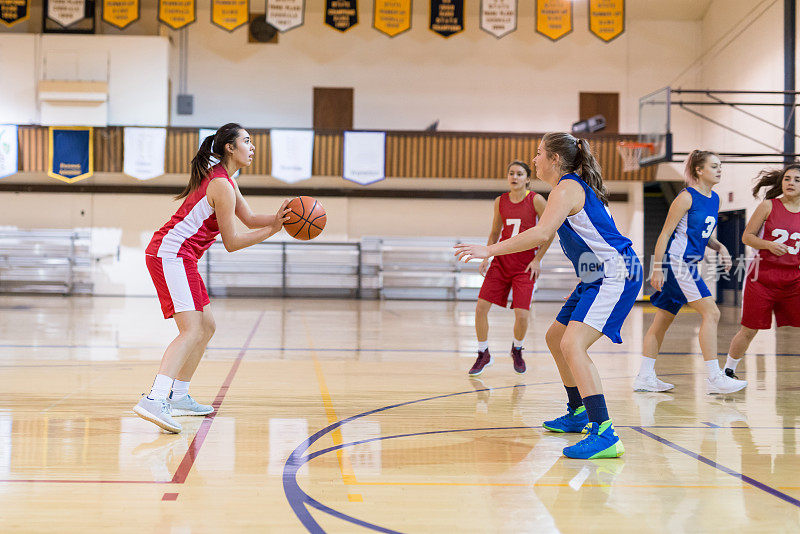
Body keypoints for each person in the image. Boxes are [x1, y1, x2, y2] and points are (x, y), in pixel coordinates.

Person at [455, 132, 642, 459]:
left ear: (555, 159)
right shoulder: (564, 189)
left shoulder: (567, 188)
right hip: (594, 275)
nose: (534, 159)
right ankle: (579, 411)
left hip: (616, 272)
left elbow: (542, 233)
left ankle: (604, 432)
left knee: (573, 344)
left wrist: (489, 249)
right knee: (556, 337)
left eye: (539, 153)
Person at [133, 123, 290, 433]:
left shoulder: (226, 180)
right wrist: (273, 230)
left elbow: (247, 217)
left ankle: (177, 396)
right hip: (171, 253)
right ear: (230, 148)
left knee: (207, 327)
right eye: (247, 141)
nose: (252, 147)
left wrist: (282, 216)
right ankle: (154, 398)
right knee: (191, 330)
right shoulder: (221, 184)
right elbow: (232, 242)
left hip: (181, 255)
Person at [634, 150, 746, 395]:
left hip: (689, 263)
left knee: (661, 322)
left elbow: (702, 235)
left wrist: (721, 247)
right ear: (699, 170)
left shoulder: (714, 198)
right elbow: (665, 234)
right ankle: (715, 377)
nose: (719, 170)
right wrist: (657, 269)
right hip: (678, 263)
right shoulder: (686, 197)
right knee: (712, 312)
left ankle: (644, 376)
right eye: (714, 166)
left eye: (720, 166)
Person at [468, 161, 552, 377]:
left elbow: (550, 232)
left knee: (522, 315)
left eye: (519, 173)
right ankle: (483, 352)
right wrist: (487, 254)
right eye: (511, 173)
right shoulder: (500, 201)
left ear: (527, 178)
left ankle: (517, 348)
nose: (514, 177)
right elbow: (495, 230)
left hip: (525, 265)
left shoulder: (536, 200)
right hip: (501, 261)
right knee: (480, 308)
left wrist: (538, 259)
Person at [724, 164, 800, 377]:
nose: (790, 183)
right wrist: (768, 245)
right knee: (749, 329)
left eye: (796, 179)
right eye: (787, 179)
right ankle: (728, 371)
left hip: (794, 278)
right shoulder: (768, 206)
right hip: (762, 278)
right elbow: (747, 237)